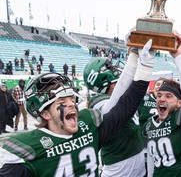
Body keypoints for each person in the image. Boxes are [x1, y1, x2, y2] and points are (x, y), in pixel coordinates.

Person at [0, 40, 154, 176]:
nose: (71, 104)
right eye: (61, 100)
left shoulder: (87, 127)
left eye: (71, 98)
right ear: (45, 113)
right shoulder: (29, 149)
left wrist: (141, 62)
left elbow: (125, 107)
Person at [83, 41, 155, 177]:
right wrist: (133, 58)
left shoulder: (121, 97)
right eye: (111, 67)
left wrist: (135, 52)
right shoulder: (97, 102)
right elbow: (115, 104)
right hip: (118, 171)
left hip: (137, 167)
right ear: (103, 76)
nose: (116, 69)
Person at [143, 32, 181, 176]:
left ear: (180, 103)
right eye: (159, 95)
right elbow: (153, 161)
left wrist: (180, 57)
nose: (161, 99)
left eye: (168, 96)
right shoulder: (149, 124)